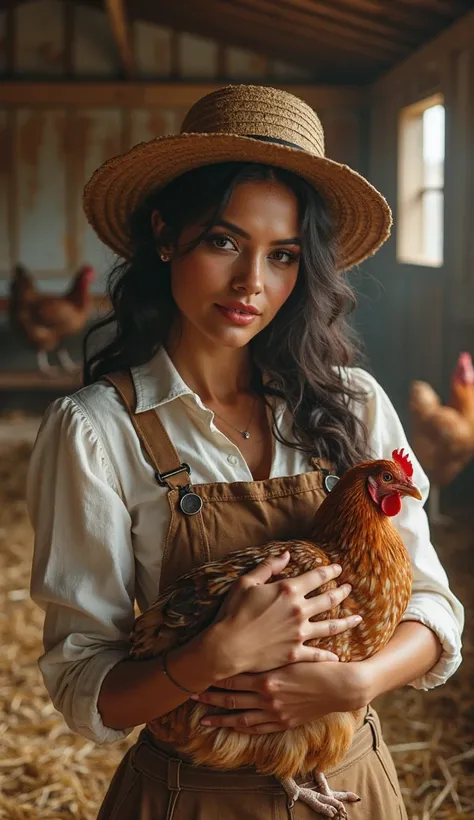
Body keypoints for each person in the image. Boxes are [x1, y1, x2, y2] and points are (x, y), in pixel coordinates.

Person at [28, 85, 463, 820]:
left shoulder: (352, 402)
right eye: (224, 241)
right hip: (194, 797)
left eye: (284, 255)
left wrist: (358, 683)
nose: (252, 285)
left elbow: (433, 607)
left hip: (352, 785)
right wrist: (212, 657)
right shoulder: (95, 429)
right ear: (166, 234)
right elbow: (85, 687)